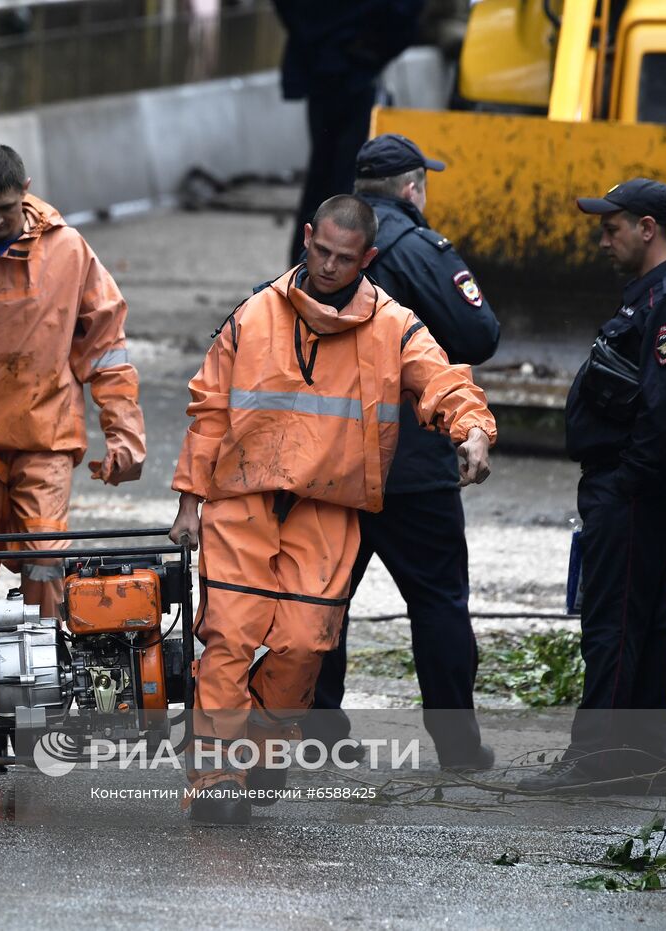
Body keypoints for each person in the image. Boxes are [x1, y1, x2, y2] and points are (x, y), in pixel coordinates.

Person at [168, 194, 496, 823]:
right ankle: (214, 777)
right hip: (243, 502)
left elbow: (443, 380)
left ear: (367, 259)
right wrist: (189, 501)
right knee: (229, 639)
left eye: (344, 260)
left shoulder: (395, 328)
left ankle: (259, 754)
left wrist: (473, 429)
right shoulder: (255, 315)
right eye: (319, 251)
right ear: (308, 237)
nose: (327, 267)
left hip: (328, 511)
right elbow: (209, 408)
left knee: (302, 647)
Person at [0, 143, 146, 768]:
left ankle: (37, 709)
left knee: (45, 563)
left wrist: (123, 435)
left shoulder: (70, 253)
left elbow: (105, 346)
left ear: (27, 190)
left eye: (8, 207)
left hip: (45, 437)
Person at [306, 134, 501, 771]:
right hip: (414, 469)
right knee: (439, 602)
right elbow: (480, 333)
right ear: (413, 188)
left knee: (324, 603)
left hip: (334, 466)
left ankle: (320, 735)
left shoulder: (323, 249)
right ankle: (458, 748)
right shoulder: (421, 250)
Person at [519, 179, 666, 796]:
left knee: (613, 625)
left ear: (647, 228)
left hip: (632, 491)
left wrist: (626, 484)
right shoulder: (653, 296)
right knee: (643, 623)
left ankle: (597, 759)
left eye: (612, 228)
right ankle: (641, 759)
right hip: (626, 487)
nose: (604, 239)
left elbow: (665, 410)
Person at [271, 0, 425, 264]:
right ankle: (322, 268)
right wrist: (375, 47)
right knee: (345, 174)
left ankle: (305, 267)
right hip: (353, 63)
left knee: (325, 170)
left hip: (326, 60)